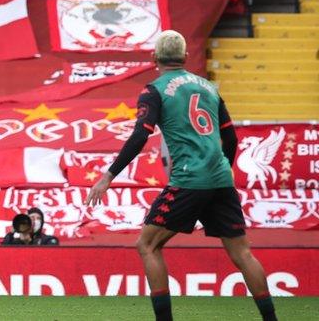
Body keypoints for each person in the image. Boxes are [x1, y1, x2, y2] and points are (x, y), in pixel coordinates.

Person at [87, 30, 277, 321]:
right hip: (221, 180)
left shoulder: (155, 90)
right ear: (186, 57)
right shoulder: (210, 88)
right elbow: (232, 138)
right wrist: (222, 169)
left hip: (189, 180)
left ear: (154, 58)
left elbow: (141, 135)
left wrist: (108, 176)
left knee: (147, 245)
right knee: (243, 254)